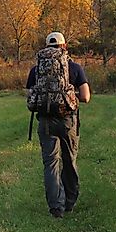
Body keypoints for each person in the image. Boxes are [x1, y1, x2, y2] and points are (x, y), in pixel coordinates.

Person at [26, 31, 91, 218]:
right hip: (68, 119)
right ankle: (70, 201)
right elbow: (86, 97)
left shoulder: (36, 69)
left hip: (45, 120)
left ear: (46, 47)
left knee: (51, 163)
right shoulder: (75, 68)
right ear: (64, 47)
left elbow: (30, 96)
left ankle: (56, 207)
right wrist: (70, 97)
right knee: (69, 160)